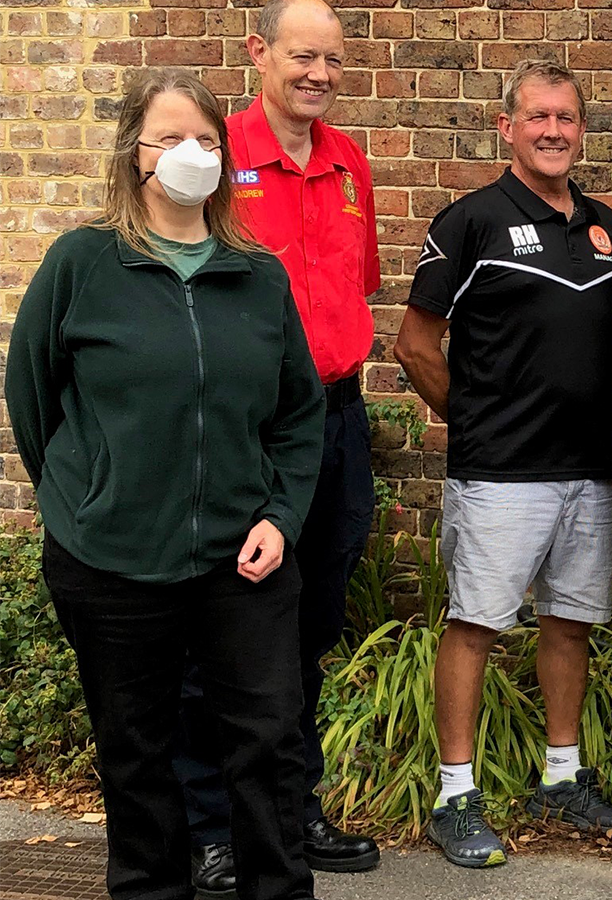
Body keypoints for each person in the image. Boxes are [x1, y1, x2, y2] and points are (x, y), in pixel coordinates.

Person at [5, 68, 324, 900]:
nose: (192, 154)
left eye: (208, 140)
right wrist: (88, 501)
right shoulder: (84, 264)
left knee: (268, 747)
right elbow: (33, 396)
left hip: (242, 558)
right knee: (136, 753)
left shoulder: (258, 275)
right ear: (133, 154)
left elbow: (298, 413)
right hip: (110, 562)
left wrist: (282, 516)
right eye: (170, 137)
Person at [393, 59, 612, 868]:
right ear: (507, 127)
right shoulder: (471, 222)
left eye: (566, 118)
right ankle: (454, 796)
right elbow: (415, 343)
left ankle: (560, 777)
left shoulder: (606, 228)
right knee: (474, 627)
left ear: (581, 130)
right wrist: (476, 420)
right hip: (498, 475)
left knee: (569, 625)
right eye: (538, 118)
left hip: (587, 472)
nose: (553, 132)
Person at [172, 0, 383, 889]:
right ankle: (211, 825)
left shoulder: (348, 165)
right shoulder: (214, 162)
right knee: (210, 634)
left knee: (307, 627)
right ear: (258, 52)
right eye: (304, 57)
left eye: (333, 61)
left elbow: (358, 287)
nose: (320, 76)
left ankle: (289, 809)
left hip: (331, 421)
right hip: (234, 429)